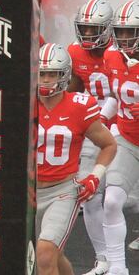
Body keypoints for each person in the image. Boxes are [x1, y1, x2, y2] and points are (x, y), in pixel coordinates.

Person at [35, 43, 116, 275]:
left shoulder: (80, 106)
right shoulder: (24, 102)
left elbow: (109, 144)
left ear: (65, 75)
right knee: (53, 254)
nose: (47, 79)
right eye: (42, 73)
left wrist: (94, 176)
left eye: (53, 74)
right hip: (28, 192)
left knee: (45, 252)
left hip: (62, 191)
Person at [66, 0, 119, 275]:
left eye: (94, 29)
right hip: (95, 126)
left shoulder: (119, 51)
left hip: (124, 121)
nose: (88, 35)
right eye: (84, 29)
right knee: (89, 192)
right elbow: (73, 92)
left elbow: (123, 93)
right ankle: (103, 258)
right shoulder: (74, 53)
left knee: (121, 194)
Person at [102, 1, 139, 275]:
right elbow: (115, 96)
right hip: (128, 138)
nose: (125, 38)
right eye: (121, 32)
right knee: (112, 199)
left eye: (131, 32)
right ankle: (117, 267)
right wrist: (101, 118)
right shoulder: (112, 57)